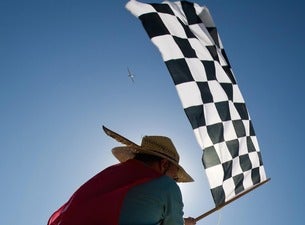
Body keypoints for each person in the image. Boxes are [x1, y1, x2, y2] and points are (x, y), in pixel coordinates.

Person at [47, 126, 197, 225]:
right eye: (175, 176)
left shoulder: (111, 175)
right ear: (164, 164)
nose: (175, 181)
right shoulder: (167, 186)